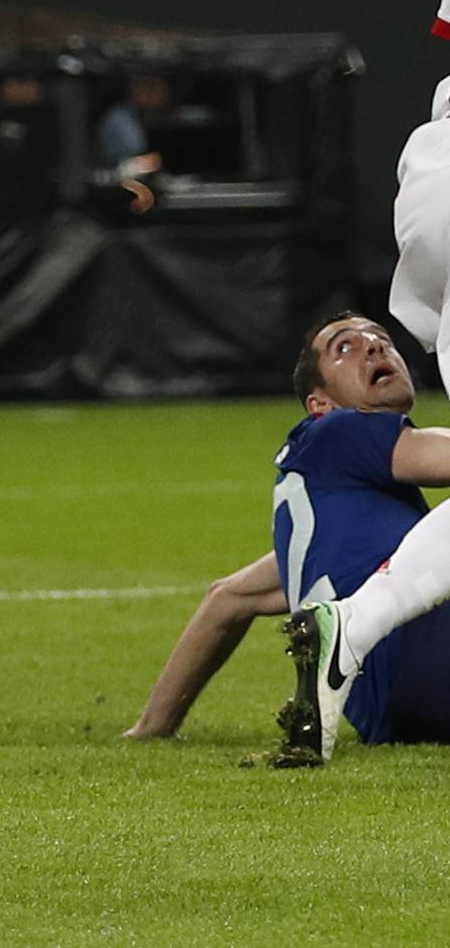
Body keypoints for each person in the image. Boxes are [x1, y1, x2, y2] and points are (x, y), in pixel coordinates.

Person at [127, 314, 450, 760]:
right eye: (345, 348)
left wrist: (151, 728)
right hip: (426, 660)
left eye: (382, 339)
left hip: (395, 714)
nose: (374, 347)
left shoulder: (327, 505)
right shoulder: (345, 430)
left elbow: (226, 601)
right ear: (320, 404)